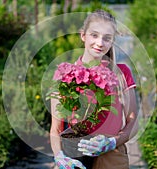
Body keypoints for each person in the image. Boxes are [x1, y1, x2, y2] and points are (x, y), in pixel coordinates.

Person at [50, 9, 138, 169]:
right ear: (83, 35)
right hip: (76, 156)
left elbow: (133, 122)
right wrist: (59, 156)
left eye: (107, 38)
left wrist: (112, 142)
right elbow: (55, 129)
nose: (100, 43)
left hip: (112, 157)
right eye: (94, 35)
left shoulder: (121, 73)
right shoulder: (65, 75)